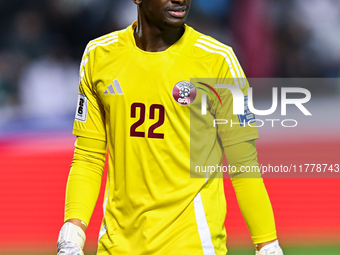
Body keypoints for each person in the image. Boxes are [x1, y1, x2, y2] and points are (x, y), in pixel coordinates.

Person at [57, 0, 284, 254]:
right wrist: (72, 235)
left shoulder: (218, 61)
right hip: (117, 246)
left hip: (192, 244)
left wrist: (268, 245)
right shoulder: (98, 56)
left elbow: (243, 163)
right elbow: (88, 157)